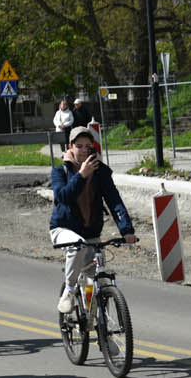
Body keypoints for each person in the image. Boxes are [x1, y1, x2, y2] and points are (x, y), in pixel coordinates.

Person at [49, 124, 136, 313]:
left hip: (91, 233)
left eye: (87, 146)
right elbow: (63, 197)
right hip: (63, 230)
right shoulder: (60, 172)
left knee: (92, 284)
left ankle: (98, 331)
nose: (83, 150)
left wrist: (127, 230)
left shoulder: (101, 172)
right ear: (70, 147)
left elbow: (114, 201)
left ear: (93, 148)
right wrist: (81, 175)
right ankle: (69, 291)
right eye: (78, 145)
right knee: (76, 244)